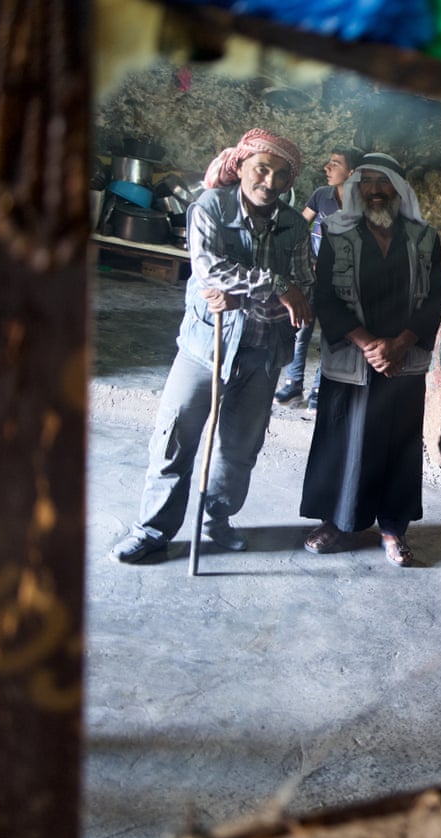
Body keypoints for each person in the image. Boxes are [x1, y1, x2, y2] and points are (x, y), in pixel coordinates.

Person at [110, 129, 314, 563]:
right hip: (206, 348)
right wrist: (276, 286)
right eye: (262, 168)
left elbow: (305, 295)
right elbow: (209, 270)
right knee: (174, 441)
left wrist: (247, 296)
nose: (270, 182)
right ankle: (152, 531)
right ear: (241, 165)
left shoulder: (295, 226)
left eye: (281, 175)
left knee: (239, 450)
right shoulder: (209, 207)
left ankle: (215, 521)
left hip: (262, 355)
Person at [299, 154, 441, 566]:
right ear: (356, 188)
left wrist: (400, 344)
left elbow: (436, 297)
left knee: (397, 445)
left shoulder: (425, 237)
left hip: (403, 358)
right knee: (342, 439)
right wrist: (369, 344)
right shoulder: (335, 232)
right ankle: (337, 520)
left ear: (400, 190)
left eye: (385, 183)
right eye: (368, 183)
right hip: (352, 355)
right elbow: (324, 295)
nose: (376, 190)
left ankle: (392, 529)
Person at [274, 145, 365, 412]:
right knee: (300, 328)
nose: (327, 168)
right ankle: (293, 386)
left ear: (353, 172)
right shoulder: (321, 195)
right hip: (311, 276)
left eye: (335, 164)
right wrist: (302, 260)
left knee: (332, 335)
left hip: (341, 282)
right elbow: (299, 228)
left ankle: (318, 388)